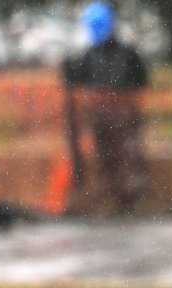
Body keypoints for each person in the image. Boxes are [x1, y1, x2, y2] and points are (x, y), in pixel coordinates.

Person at [63, 1, 148, 214]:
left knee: (128, 155)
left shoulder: (127, 54)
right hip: (100, 118)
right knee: (106, 157)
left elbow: (141, 81)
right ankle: (113, 196)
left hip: (125, 117)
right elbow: (78, 81)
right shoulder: (89, 55)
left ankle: (131, 198)